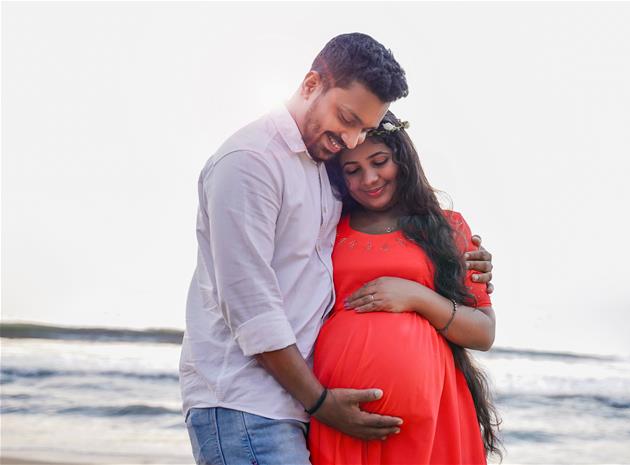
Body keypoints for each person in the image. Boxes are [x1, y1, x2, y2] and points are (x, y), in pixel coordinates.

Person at [180, 33, 495, 465]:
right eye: (346, 118)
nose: (350, 140)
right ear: (311, 84)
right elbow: (252, 308)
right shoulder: (250, 163)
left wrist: (449, 271)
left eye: (364, 129)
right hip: (247, 404)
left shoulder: (318, 166)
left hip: (292, 408)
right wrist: (321, 402)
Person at [308, 111, 502, 464]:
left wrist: (417, 296)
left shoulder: (448, 228)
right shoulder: (327, 229)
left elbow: (483, 333)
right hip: (338, 415)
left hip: (433, 416)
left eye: (379, 162)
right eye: (352, 171)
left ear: (403, 157)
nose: (369, 178)